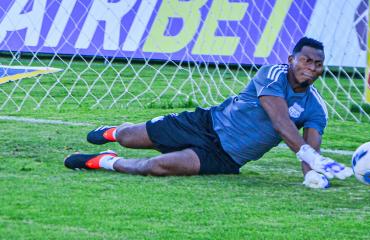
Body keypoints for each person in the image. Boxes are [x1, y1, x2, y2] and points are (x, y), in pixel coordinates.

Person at [64, 37, 353, 189]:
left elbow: (310, 146)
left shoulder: (316, 108)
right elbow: (279, 121)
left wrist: (312, 175)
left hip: (224, 157)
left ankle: (105, 162)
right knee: (129, 136)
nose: (311, 68)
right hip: (205, 124)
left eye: (318, 64)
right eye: (306, 60)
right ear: (291, 59)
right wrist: (312, 158)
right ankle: (113, 133)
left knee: (156, 167)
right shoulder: (272, 74)